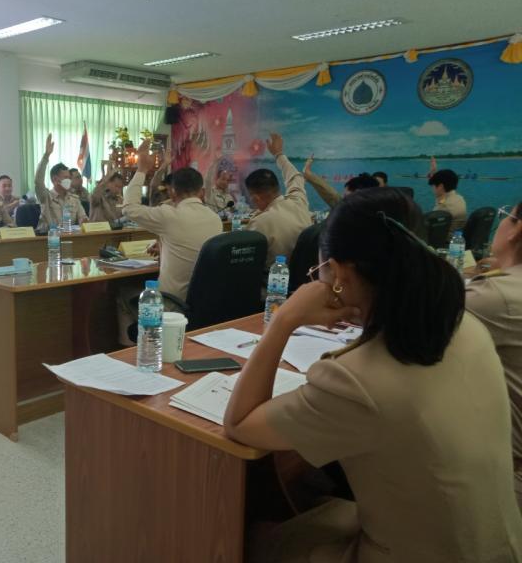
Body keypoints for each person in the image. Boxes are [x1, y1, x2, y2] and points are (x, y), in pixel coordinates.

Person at [224, 188, 522, 562]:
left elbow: (239, 423)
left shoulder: (354, 381)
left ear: (340, 274)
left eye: (320, 271)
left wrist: (284, 320)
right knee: (315, 500)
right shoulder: (465, 327)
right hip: (498, 544)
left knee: (254, 535)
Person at [466, 201, 522, 508]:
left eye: (505, 217)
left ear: (516, 230)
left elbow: (405, 322)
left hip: (506, 480)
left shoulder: (495, 296)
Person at [123, 140, 222, 300]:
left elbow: (129, 208)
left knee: (123, 294)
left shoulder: (169, 215)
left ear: (173, 192)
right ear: (201, 192)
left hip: (171, 300)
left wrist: (141, 170)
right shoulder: (215, 218)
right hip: (205, 299)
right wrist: (164, 246)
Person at [245, 133, 312, 263]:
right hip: (305, 271)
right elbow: (296, 177)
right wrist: (278, 154)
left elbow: (247, 260)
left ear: (255, 198)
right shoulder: (299, 201)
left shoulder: (259, 224)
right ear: (276, 186)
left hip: (274, 275)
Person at [34, 134, 88, 232]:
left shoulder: (74, 199)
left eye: (70, 178)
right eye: (66, 178)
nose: (69, 181)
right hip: (49, 238)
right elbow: (38, 181)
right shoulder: (45, 197)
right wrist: (46, 156)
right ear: (55, 179)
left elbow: (83, 218)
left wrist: (84, 221)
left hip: (69, 237)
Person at [303, 157, 380, 209]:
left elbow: (333, 196)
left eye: (345, 195)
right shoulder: (373, 208)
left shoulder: (348, 209)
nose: (343, 196)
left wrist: (308, 174)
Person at [428, 157, 467, 234]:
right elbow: (439, 198)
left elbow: (428, 228)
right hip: (457, 237)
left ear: (441, 186)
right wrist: (433, 172)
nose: (433, 189)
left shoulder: (443, 207)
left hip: (443, 240)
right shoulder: (460, 198)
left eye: (434, 186)